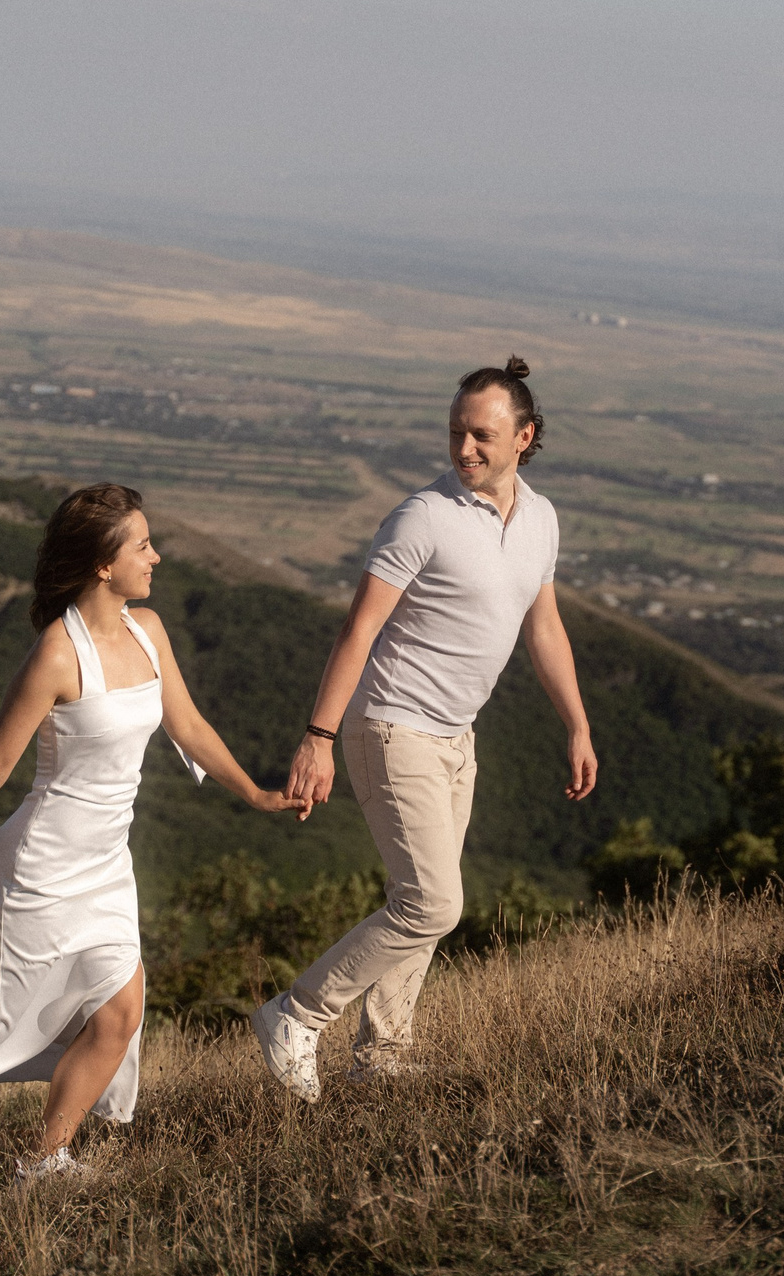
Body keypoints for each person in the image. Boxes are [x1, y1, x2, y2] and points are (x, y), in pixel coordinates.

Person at [0, 483, 303, 1232]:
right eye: (141, 545)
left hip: (107, 867)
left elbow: (187, 723)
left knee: (120, 1010)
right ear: (101, 565)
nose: (157, 555)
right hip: (40, 869)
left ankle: (44, 1160)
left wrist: (255, 793)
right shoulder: (57, 652)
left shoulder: (148, 632)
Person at [251, 356, 597, 1101]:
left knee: (422, 905)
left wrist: (577, 724)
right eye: (455, 434)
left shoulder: (539, 519)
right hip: (388, 728)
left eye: (481, 436)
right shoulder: (424, 516)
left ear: (524, 436)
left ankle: (382, 1057)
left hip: (455, 737)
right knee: (434, 903)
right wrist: (317, 736)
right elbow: (359, 628)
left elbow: (545, 628)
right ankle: (296, 1014)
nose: (463, 449)